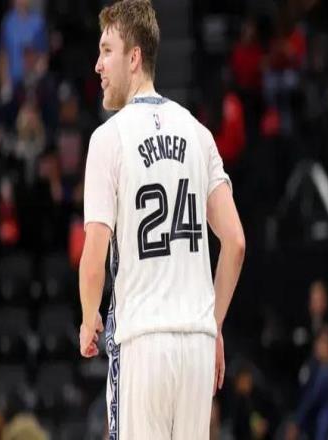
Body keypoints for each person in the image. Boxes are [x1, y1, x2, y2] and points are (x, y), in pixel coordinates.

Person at [79, 1, 246, 439]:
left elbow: (94, 255)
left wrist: (88, 316)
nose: (97, 65)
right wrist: (213, 324)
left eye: (107, 51)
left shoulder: (108, 138)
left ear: (134, 57)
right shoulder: (199, 133)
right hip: (196, 344)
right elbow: (235, 242)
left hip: (143, 340)